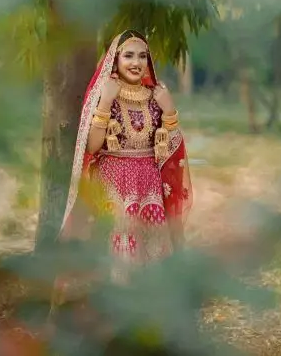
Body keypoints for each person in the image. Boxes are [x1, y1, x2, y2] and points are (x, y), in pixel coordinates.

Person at [58, 29, 193, 279]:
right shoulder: (105, 93)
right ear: (115, 60)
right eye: (128, 55)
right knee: (116, 255)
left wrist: (170, 110)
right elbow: (92, 147)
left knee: (149, 253)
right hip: (112, 185)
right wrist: (106, 101)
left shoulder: (156, 96)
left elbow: (172, 152)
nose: (136, 62)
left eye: (142, 56)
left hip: (149, 188)